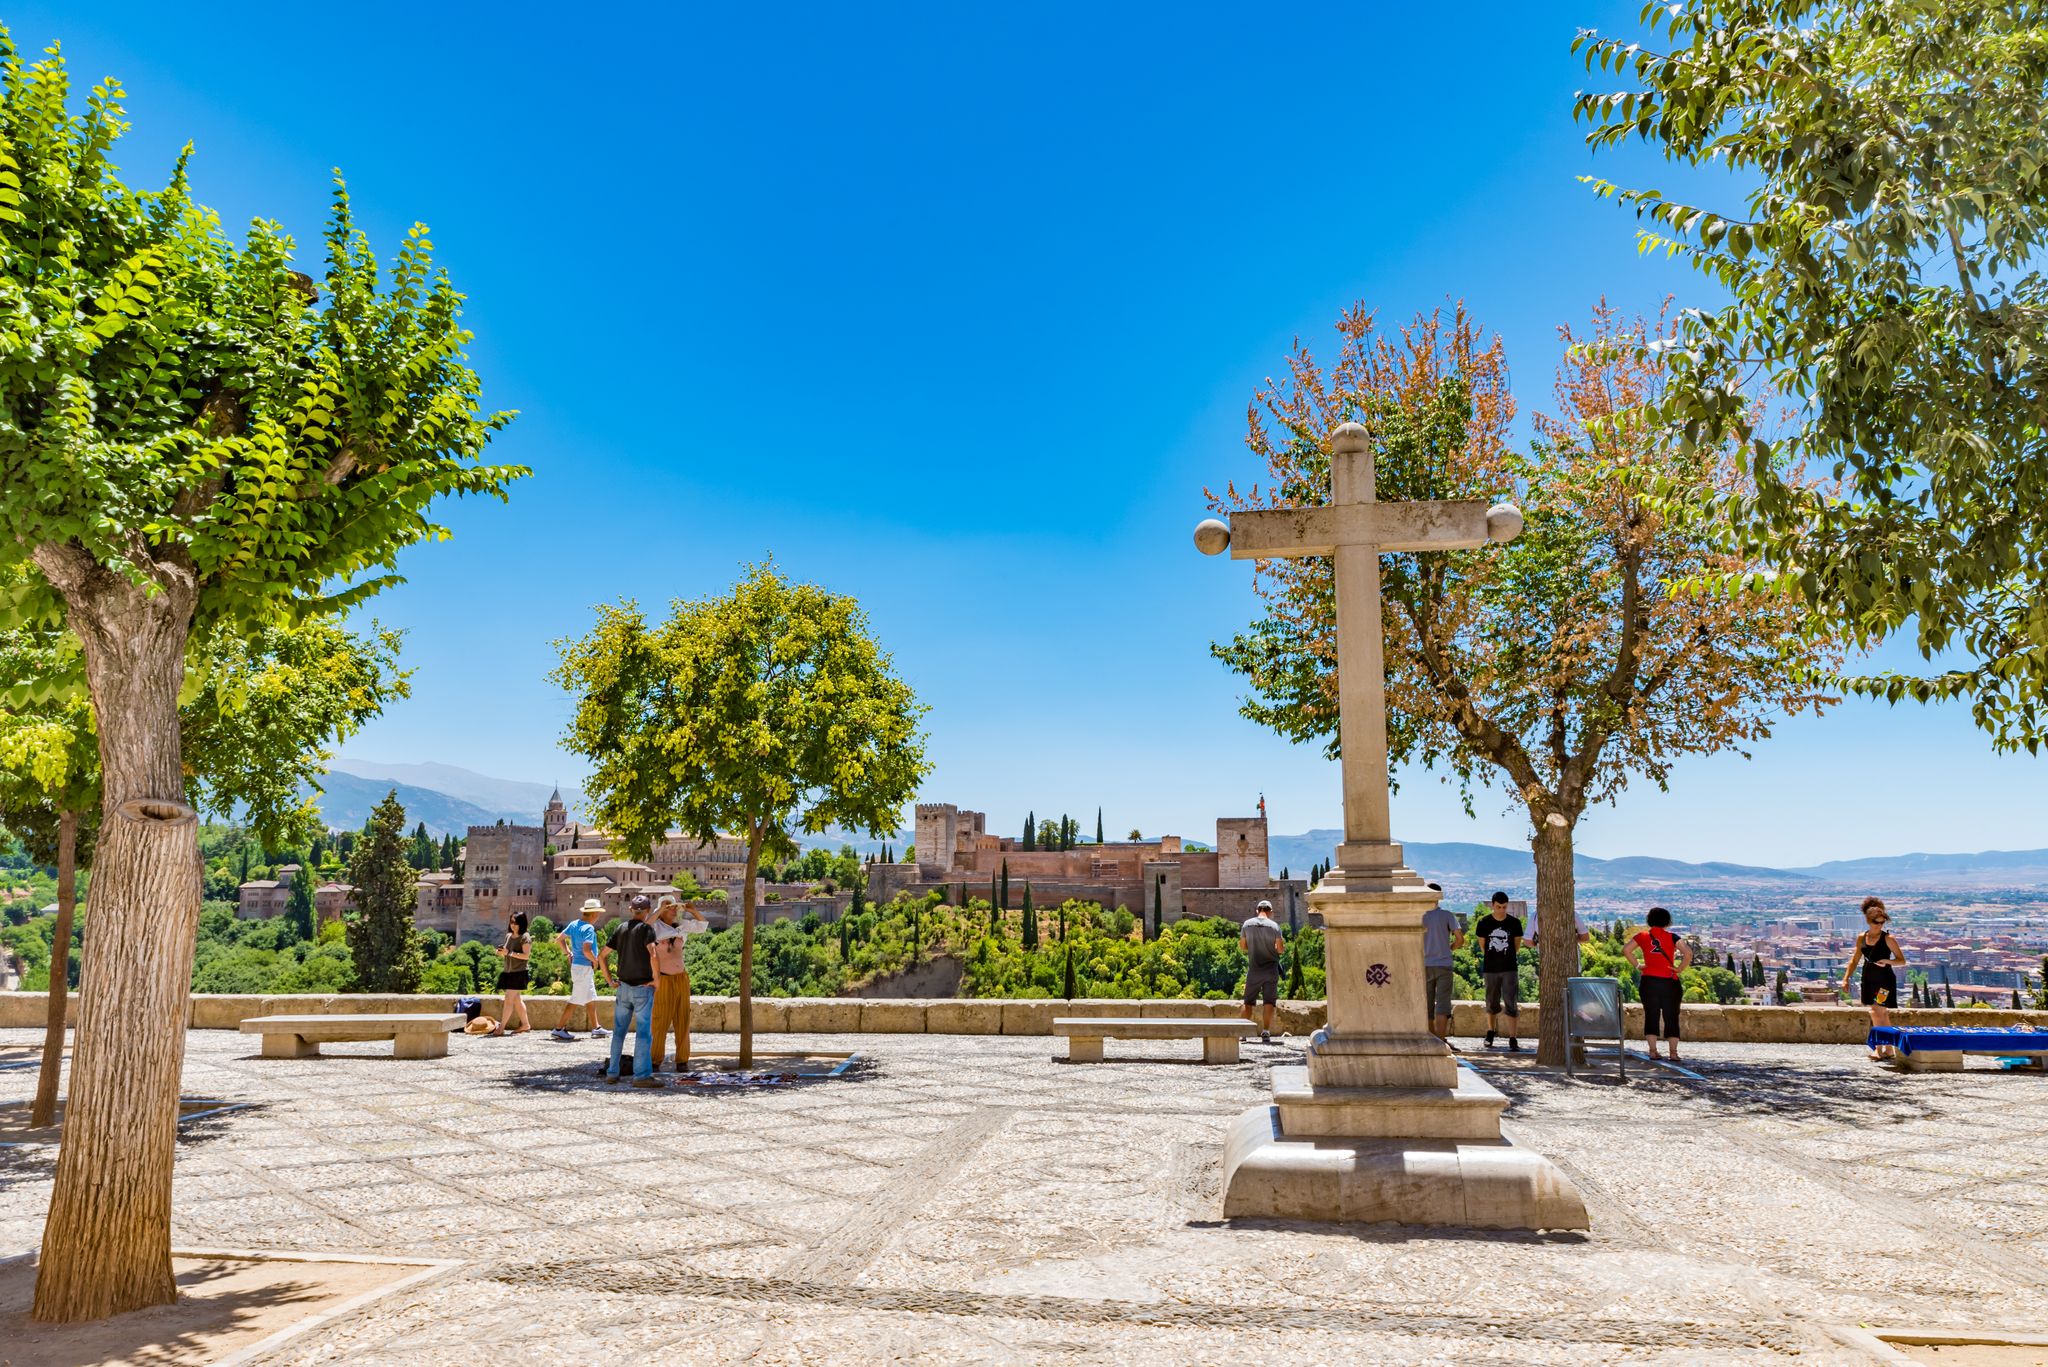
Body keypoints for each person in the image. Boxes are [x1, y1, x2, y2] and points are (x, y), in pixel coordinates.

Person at [605, 895, 660, 1087]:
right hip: (642, 988)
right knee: (643, 1033)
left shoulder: (620, 928)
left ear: (630, 910)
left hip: (623, 988)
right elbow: (653, 954)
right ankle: (641, 1076)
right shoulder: (646, 929)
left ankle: (612, 1072)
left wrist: (609, 980)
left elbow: (602, 955)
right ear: (648, 911)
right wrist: (656, 980)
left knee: (618, 1032)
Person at [1842, 896, 1906, 1060]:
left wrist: (1887, 961)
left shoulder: (1888, 939)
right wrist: (1846, 978)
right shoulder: (1861, 937)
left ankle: (1878, 1048)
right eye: (1876, 922)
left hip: (1884, 980)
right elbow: (1855, 959)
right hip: (1868, 978)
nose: (1880, 925)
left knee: (1875, 1011)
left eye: (1882, 922)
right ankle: (1889, 1048)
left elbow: (1901, 960)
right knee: (1882, 1014)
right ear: (1869, 921)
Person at [1625, 907, 1692, 1061]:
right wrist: (1679, 969)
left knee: (1651, 1015)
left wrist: (1638, 965)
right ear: (1667, 921)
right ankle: (1673, 1053)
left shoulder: (1642, 936)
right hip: (1669, 981)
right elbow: (1688, 953)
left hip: (1649, 981)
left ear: (1649, 920)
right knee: (1671, 1016)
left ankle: (1653, 1051)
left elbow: (1626, 950)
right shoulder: (1673, 937)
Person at [648, 895, 696, 1072]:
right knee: (660, 1020)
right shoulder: (655, 928)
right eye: (670, 907)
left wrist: (692, 910)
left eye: (675, 906)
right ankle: (655, 1060)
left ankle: (682, 1060)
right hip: (663, 978)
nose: (674, 909)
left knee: (683, 1019)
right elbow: (644, 926)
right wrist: (661, 909)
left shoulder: (681, 927)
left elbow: (702, 925)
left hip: (681, 978)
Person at [551, 899, 609, 1042]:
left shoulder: (574, 924)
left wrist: (568, 953)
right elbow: (587, 950)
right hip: (584, 968)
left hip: (577, 967)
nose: (598, 916)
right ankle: (558, 1029)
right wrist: (595, 961)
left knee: (590, 997)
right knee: (576, 999)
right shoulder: (589, 928)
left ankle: (596, 1028)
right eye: (598, 913)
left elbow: (559, 939)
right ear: (593, 913)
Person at [1478, 892, 1523, 1052]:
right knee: (1491, 1002)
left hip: (1509, 968)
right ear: (1493, 905)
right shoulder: (1483, 923)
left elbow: (1516, 946)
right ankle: (1490, 1032)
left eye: (1504, 907)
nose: (1501, 910)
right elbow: (1483, 945)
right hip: (1490, 969)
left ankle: (1513, 1037)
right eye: (1498, 907)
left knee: (1511, 1002)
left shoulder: (1515, 923)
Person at [1420, 888, 1465, 1049]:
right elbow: (1460, 939)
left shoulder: (1420, 916)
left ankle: (1431, 1040)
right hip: (1444, 964)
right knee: (1442, 1004)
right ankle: (1441, 1041)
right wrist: (1449, 948)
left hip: (1424, 964)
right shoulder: (1447, 915)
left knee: (1427, 1004)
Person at [1239, 899, 1285, 1042]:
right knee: (1269, 1002)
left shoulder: (1247, 924)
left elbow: (1243, 947)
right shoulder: (1275, 926)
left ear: (1257, 910)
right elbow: (1280, 950)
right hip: (1271, 970)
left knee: (1248, 1001)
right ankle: (1265, 1031)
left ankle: (1243, 1033)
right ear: (1270, 911)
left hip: (1254, 969)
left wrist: (1254, 947)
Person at [497, 912, 533, 1035]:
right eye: (512, 922)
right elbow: (507, 953)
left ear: (522, 923)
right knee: (516, 1000)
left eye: (516, 923)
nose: (513, 925)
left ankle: (501, 1028)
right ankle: (525, 1025)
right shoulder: (508, 936)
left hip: (519, 972)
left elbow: (526, 956)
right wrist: (501, 952)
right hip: (508, 971)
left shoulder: (525, 937)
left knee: (508, 999)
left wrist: (509, 953)